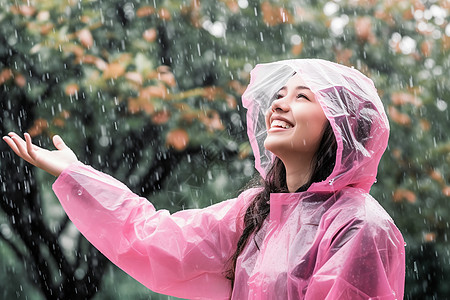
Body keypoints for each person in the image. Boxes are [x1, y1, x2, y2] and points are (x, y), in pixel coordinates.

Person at [3, 59, 405, 299]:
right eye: (280, 94)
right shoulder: (259, 212)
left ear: (342, 126)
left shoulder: (360, 226)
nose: (279, 103)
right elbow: (155, 238)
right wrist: (77, 175)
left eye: (302, 96)